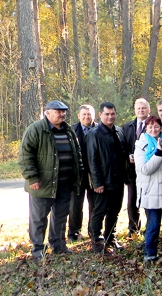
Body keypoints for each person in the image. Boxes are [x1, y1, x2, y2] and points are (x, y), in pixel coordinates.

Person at [18, 100, 83, 261]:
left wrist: (78, 174)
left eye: (64, 111)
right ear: (47, 113)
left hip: (65, 183)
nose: (62, 114)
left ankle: (58, 245)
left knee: (60, 216)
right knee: (39, 218)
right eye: (58, 111)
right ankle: (38, 250)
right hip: (42, 184)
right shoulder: (36, 129)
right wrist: (32, 177)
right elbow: (25, 155)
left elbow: (77, 154)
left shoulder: (69, 130)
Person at [86, 102, 129, 253]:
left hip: (118, 180)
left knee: (114, 211)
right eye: (107, 114)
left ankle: (110, 238)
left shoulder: (119, 131)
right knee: (99, 211)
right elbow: (92, 160)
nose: (110, 117)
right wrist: (97, 183)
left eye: (112, 114)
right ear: (100, 115)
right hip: (103, 181)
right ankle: (97, 241)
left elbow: (123, 154)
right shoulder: (94, 134)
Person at [134, 114, 162, 262]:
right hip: (150, 191)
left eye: (156, 126)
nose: (153, 129)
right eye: (150, 127)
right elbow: (145, 169)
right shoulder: (141, 145)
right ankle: (150, 255)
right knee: (153, 225)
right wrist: (158, 153)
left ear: (161, 128)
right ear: (145, 128)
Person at [123, 98, 151, 237]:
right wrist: (128, 155)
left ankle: (150, 229)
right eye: (138, 108)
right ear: (134, 110)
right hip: (132, 171)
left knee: (149, 201)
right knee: (132, 201)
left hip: (149, 170)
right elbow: (123, 146)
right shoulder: (127, 127)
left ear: (148, 110)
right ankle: (133, 229)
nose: (141, 110)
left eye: (143, 108)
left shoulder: (154, 125)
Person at [68, 104, 96, 241]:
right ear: (78, 116)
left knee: (95, 205)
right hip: (77, 174)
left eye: (89, 114)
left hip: (94, 174)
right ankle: (74, 233)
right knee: (75, 205)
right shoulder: (71, 130)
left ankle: (94, 231)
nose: (86, 117)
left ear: (94, 116)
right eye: (84, 114)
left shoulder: (99, 130)